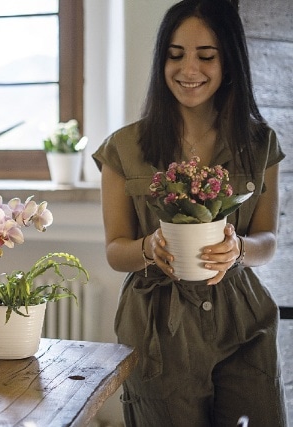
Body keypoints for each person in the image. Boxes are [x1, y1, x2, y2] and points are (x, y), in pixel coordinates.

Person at [93, 0, 287, 426]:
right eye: (175, 54)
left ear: (229, 61)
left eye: (206, 55)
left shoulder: (261, 144)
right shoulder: (123, 148)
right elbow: (115, 249)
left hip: (243, 321)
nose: (189, 69)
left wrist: (238, 250)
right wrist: (149, 248)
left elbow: (267, 240)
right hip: (157, 329)